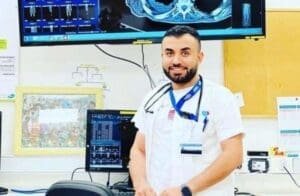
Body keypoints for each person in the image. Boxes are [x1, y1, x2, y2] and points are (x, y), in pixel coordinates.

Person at [129, 25, 244, 196]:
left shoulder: (220, 97)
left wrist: (187, 190)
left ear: (200, 57)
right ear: (162, 56)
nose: (176, 61)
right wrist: (141, 184)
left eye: (185, 53)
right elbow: (138, 150)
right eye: (169, 53)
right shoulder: (152, 99)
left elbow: (234, 155)